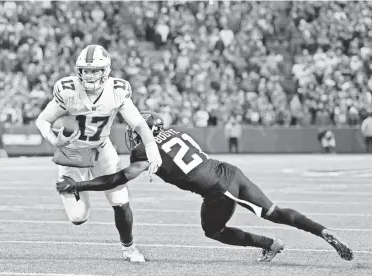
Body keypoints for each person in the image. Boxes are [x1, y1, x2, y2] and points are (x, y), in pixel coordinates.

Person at [56, 111, 354, 262]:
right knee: (275, 211)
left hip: (215, 189)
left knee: (213, 231)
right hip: (229, 172)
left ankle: (269, 245)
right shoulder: (176, 133)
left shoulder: (143, 150)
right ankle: (322, 231)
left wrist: (82, 186)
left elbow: (119, 178)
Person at [36, 45, 163, 263]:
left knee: (120, 200)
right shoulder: (67, 89)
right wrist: (55, 140)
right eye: (86, 70)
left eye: (95, 70)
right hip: (71, 154)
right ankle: (79, 192)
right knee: (78, 217)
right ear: (79, 71)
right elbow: (42, 120)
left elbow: (140, 125)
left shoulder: (117, 90)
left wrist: (153, 152)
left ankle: (129, 249)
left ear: (106, 71)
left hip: (101, 149)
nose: (90, 74)